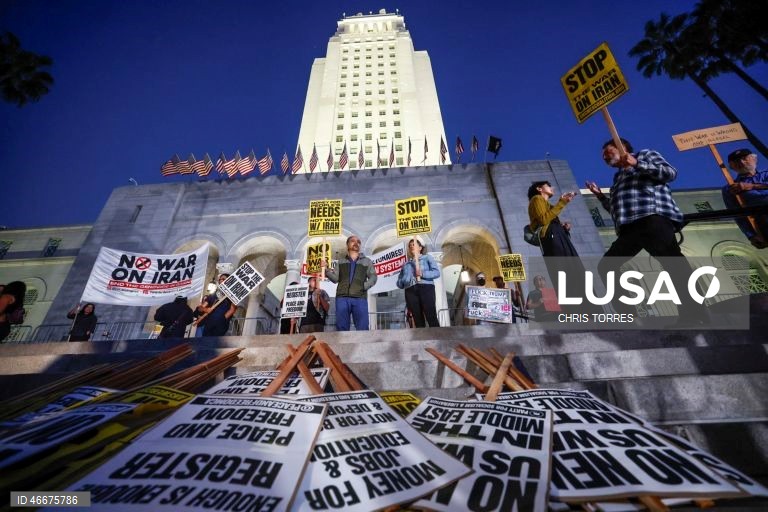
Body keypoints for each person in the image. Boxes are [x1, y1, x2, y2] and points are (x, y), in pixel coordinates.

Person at [586, 138, 705, 325]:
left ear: (621, 147)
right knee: (607, 266)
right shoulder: (618, 177)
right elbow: (616, 209)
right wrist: (600, 196)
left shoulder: (645, 155)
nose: (605, 157)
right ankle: (628, 315)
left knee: (673, 262)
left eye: (607, 152)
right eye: (603, 157)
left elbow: (670, 173)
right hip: (629, 227)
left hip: (652, 217)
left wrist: (637, 163)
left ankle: (695, 313)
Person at [323, 235, 377, 331]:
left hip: (360, 298)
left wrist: (364, 286)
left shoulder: (367, 261)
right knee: (342, 327)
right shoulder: (341, 261)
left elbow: (373, 276)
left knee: (363, 327)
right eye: (353, 241)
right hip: (342, 298)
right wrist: (326, 270)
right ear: (347, 244)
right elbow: (335, 279)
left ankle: (362, 346)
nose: (356, 243)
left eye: (358, 242)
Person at [722, 148, 768, 249]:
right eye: (736, 162)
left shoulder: (766, 174)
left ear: (754, 159)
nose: (741, 162)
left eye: (744, 158)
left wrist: (751, 186)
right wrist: (751, 235)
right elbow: (737, 214)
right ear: (731, 167)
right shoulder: (731, 188)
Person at [396, 235, 440, 327]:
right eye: (410, 245)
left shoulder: (427, 258)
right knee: (417, 318)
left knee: (430, 314)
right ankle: (422, 339)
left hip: (426, 287)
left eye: (414, 244)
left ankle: (438, 338)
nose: (411, 246)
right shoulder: (406, 264)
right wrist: (404, 280)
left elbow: (436, 273)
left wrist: (423, 274)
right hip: (410, 290)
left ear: (420, 248)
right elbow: (399, 282)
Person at [527, 180, 578, 256]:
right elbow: (543, 220)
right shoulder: (536, 198)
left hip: (557, 235)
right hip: (552, 236)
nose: (552, 187)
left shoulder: (547, 204)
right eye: (548, 186)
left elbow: (549, 218)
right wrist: (562, 202)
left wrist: (562, 227)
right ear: (539, 189)